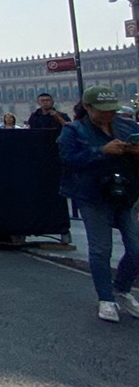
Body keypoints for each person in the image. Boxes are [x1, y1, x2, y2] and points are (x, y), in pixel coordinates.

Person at [56, 86, 139, 323]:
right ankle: (106, 298)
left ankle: (121, 289)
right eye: (102, 111)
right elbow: (67, 160)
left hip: (127, 194)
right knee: (101, 248)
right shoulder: (73, 130)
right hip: (93, 195)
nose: (107, 115)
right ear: (88, 108)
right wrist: (101, 151)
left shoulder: (128, 127)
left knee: (136, 248)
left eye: (111, 110)